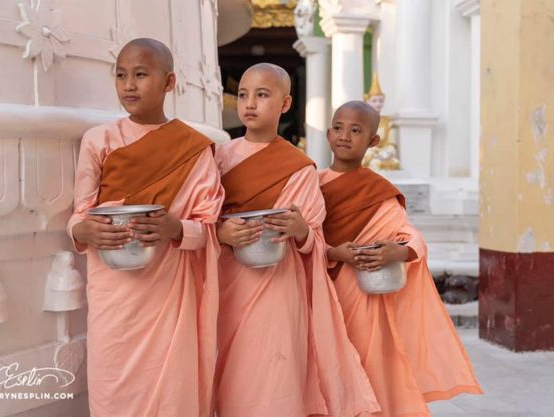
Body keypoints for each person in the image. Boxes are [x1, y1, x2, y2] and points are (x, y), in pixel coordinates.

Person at [67, 38, 223, 417]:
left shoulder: (194, 148)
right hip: (113, 289)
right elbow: (80, 213)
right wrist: (83, 231)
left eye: (140, 74)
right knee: (111, 380)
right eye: (121, 76)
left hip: (167, 285)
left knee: (170, 384)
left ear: (168, 82)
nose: (129, 85)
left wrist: (175, 228)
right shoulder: (99, 140)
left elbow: (208, 224)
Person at [214, 63, 379, 417]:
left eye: (262, 95)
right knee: (230, 376)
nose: (250, 104)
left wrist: (300, 230)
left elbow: (315, 237)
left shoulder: (299, 166)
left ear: (285, 104)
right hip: (228, 281)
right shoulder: (219, 157)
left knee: (273, 372)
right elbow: (203, 215)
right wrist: (220, 232)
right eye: (243, 95)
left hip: (277, 287)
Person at [320, 101, 483, 417]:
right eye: (339, 128)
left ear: (373, 141)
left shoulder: (378, 191)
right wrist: (331, 252)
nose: (345, 136)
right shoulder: (311, 184)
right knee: (325, 366)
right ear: (328, 134)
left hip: (361, 296)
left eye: (356, 131)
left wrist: (399, 251)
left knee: (366, 365)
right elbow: (307, 237)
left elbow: (410, 236)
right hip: (321, 290)